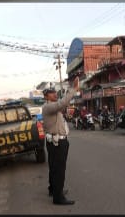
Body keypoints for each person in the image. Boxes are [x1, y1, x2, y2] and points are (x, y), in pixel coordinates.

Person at [42, 77, 80, 205]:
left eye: (54, 92)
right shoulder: (48, 107)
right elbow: (62, 103)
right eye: (52, 93)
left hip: (55, 142)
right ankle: (58, 198)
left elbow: (62, 104)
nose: (55, 94)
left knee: (54, 168)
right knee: (59, 169)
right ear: (46, 96)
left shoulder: (52, 107)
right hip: (56, 143)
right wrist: (73, 89)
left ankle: (54, 190)